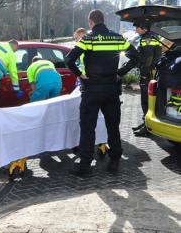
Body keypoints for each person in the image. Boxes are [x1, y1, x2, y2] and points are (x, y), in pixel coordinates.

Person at [65, 10, 139, 176]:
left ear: (91, 22)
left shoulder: (88, 38)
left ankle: (85, 165)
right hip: (112, 88)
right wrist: (120, 73)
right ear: (103, 21)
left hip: (92, 88)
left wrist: (81, 76)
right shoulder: (117, 37)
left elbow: (69, 59)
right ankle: (114, 162)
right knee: (113, 126)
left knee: (88, 127)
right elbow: (135, 57)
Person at [131, 21, 162, 137]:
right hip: (151, 72)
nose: (136, 30)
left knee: (146, 100)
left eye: (137, 28)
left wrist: (143, 74)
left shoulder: (147, 39)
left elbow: (148, 58)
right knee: (149, 100)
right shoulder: (152, 36)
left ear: (143, 28)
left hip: (147, 74)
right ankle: (146, 122)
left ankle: (147, 127)